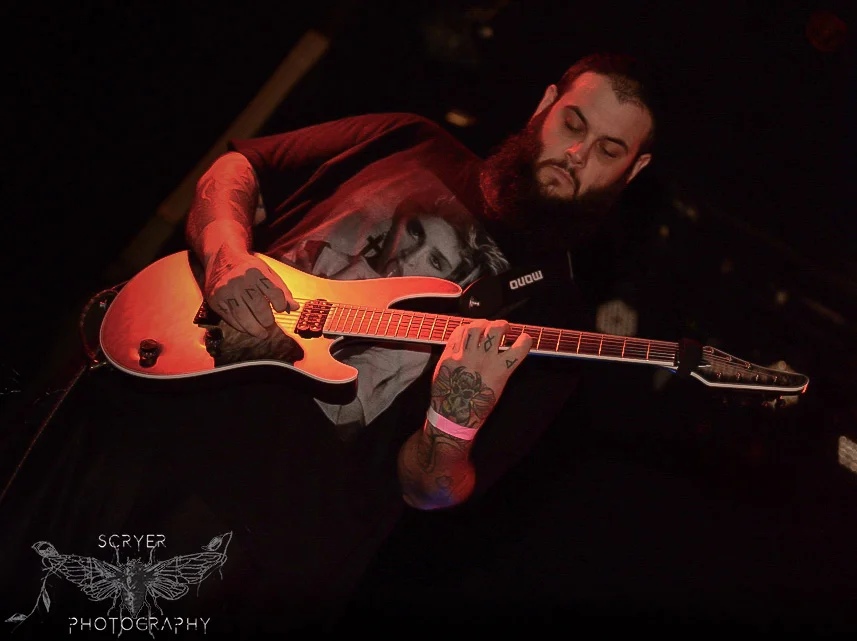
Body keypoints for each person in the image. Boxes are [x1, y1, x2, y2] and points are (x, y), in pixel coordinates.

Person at [0, 52, 657, 636]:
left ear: (635, 170)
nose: (577, 155)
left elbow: (430, 492)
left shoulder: (554, 322)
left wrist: (453, 417)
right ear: (544, 104)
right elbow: (241, 166)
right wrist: (226, 257)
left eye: (608, 149)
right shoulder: (409, 138)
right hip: (128, 418)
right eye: (572, 123)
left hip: (251, 537)